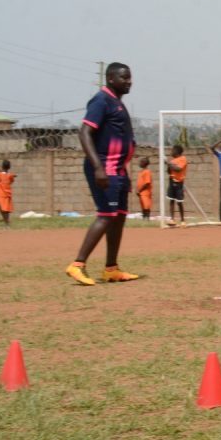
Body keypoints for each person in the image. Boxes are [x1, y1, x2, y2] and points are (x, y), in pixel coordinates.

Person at [66, 62, 141, 285]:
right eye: (124, 77)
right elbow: (85, 133)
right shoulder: (101, 100)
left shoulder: (116, 103)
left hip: (118, 169)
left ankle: (111, 268)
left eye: (129, 77)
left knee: (118, 217)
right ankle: (77, 264)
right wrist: (98, 167)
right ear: (110, 78)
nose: (129, 81)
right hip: (105, 168)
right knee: (106, 215)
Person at [166, 145, 188, 226]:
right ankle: (172, 219)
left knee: (179, 202)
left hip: (179, 183)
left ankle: (182, 220)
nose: (171, 152)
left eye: (172, 150)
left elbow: (178, 169)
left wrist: (169, 163)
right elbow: (169, 171)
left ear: (177, 152)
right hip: (171, 181)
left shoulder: (183, 159)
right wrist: (168, 165)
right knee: (171, 200)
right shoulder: (172, 160)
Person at [0, 159, 13, 226]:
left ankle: (7, 222)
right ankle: (7, 222)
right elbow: (11, 180)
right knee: (5, 209)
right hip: (6, 194)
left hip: (0, 194)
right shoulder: (9, 175)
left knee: (3, 209)